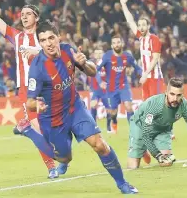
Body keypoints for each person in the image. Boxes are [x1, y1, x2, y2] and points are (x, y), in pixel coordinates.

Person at [16, 20, 138, 194]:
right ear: (40, 43)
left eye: (51, 37)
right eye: (43, 40)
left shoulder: (67, 50)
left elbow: (92, 72)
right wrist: (38, 105)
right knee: (64, 157)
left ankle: (123, 184)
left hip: (75, 109)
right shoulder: (37, 68)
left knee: (100, 144)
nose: (48, 43)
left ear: (58, 37)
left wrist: (84, 62)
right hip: (53, 117)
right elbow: (29, 102)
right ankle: (28, 131)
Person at [0, 0, 57, 178]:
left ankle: (32, 133)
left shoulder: (46, 35)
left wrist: (37, 54)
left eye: (28, 14)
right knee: (39, 128)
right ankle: (52, 167)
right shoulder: (16, 36)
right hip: (28, 89)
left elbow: (56, 55)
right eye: (22, 14)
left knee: (54, 129)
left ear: (36, 17)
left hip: (50, 87)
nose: (24, 16)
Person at [120, 0, 165, 163]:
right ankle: (146, 144)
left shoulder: (154, 39)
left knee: (156, 107)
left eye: (143, 25)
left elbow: (155, 59)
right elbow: (130, 20)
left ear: (149, 26)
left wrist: (145, 73)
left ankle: (165, 132)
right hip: (145, 79)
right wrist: (124, 4)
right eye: (139, 25)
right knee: (147, 109)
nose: (140, 27)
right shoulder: (140, 38)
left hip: (154, 77)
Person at [127, 77, 187, 169]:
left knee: (166, 162)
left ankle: (148, 148)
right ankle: (143, 150)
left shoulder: (185, 106)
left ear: (183, 95)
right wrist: (158, 155)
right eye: (172, 94)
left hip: (163, 128)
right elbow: (146, 134)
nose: (175, 98)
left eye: (179, 95)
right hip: (140, 126)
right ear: (166, 93)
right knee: (133, 167)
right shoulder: (155, 105)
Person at [96, 35, 142, 134]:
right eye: (114, 43)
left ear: (122, 44)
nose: (116, 45)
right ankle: (114, 123)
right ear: (112, 45)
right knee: (113, 112)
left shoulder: (127, 56)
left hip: (124, 86)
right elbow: (96, 70)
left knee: (128, 106)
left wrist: (143, 74)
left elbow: (137, 67)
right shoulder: (106, 56)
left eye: (118, 42)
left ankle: (134, 130)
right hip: (111, 88)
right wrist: (100, 81)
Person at [89, 49, 111, 133]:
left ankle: (109, 127)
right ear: (94, 55)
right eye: (96, 53)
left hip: (106, 90)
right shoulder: (91, 64)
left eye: (100, 53)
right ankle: (94, 127)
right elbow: (94, 74)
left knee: (109, 109)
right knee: (93, 105)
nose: (98, 55)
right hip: (95, 90)